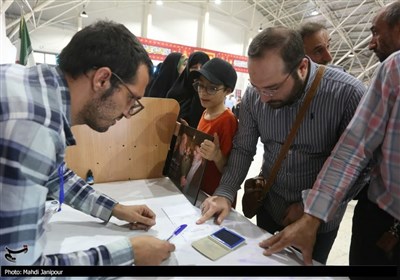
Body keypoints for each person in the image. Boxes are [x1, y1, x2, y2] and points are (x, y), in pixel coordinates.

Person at [0, 20, 175, 266]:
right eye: (131, 98)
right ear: (102, 79)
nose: (128, 113)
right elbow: (18, 269)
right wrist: (129, 254)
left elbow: (54, 176)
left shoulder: (32, 90)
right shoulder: (35, 127)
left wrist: (115, 209)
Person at [196, 26, 368, 264]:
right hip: (269, 205)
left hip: (316, 222)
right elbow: (244, 149)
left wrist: (312, 209)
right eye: (257, 88)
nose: (263, 98)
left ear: (302, 67)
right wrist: (225, 192)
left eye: (273, 88)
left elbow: (359, 168)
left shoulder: (348, 95)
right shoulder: (254, 97)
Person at [261, 2, 400, 269]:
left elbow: (361, 162)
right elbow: (354, 149)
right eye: (318, 50)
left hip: (326, 220)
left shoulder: (348, 91)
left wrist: (312, 212)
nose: (328, 57)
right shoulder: (393, 71)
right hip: (373, 222)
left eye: (376, 33)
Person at [191, 57, 239, 206]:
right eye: (200, 86)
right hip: (200, 190)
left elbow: (231, 171)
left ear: (228, 91)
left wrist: (216, 155)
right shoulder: (205, 112)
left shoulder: (227, 120)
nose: (203, 93)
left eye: (212, 88)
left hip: (216, 197)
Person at [166, 51, 210, 127]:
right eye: (194, 67)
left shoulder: (210, 96)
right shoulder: (175, 94)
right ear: (188, 69)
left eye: (202, 68)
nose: (198, 71)